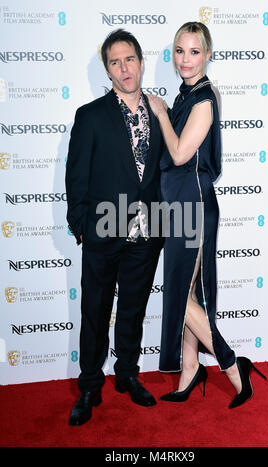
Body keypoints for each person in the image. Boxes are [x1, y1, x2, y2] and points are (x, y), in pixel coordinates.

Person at [147, 22, 266, 408]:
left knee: (180, 295)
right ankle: (188, 370)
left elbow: (181, 154)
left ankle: (232, 367)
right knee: (188, 290)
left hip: (193, 205)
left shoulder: (201, 99)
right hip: (180, 202)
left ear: (208, 55)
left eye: (193, 52)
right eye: (179, 51)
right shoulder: (190, 94)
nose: (184, 59)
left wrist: (161, 113)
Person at [65, 29, 164, 426]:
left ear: (141, 61)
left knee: (133, 310)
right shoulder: (90, 116)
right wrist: (82, 227)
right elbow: (76, 179)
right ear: (107, 70)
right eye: (115, 62)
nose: (124, 68)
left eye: (130, 59)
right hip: (102, 232)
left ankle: (127, 375)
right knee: (95, 311)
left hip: (146, 234)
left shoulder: (160, 111)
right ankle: (90, 385)